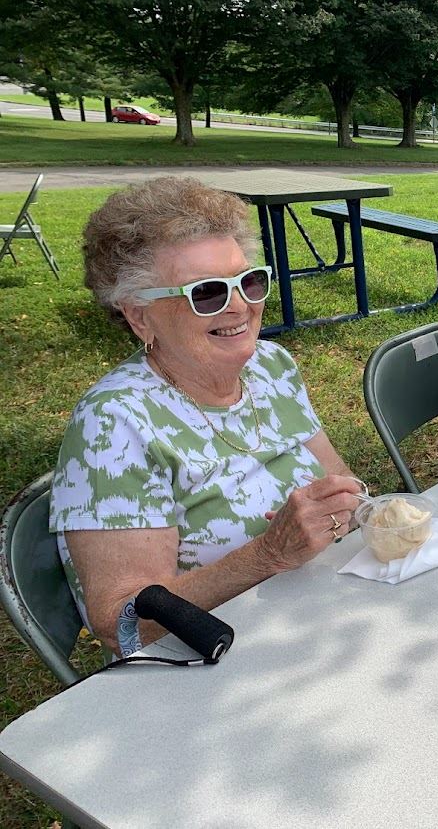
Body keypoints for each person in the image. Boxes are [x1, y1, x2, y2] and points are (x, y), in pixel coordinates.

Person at [48, 177, 364, 657]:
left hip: (324, 616)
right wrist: (268, 555)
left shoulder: (270, 366)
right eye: (207, 292)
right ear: (139, 316)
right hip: (211, 658)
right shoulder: (114, 423)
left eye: (250, 280)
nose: (241, 305)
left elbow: (341, 481)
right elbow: (121, 624)